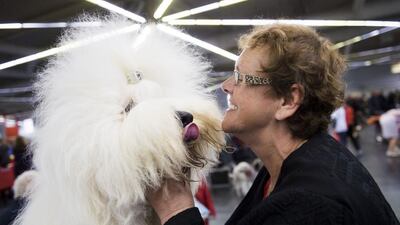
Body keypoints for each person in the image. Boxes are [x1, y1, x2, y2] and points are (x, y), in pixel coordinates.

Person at [148, 24, 400, 225]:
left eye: (239, 77)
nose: (226, 86)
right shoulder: (292, 164)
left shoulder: (311, 205)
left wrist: (177, 211)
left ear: (288, 100)